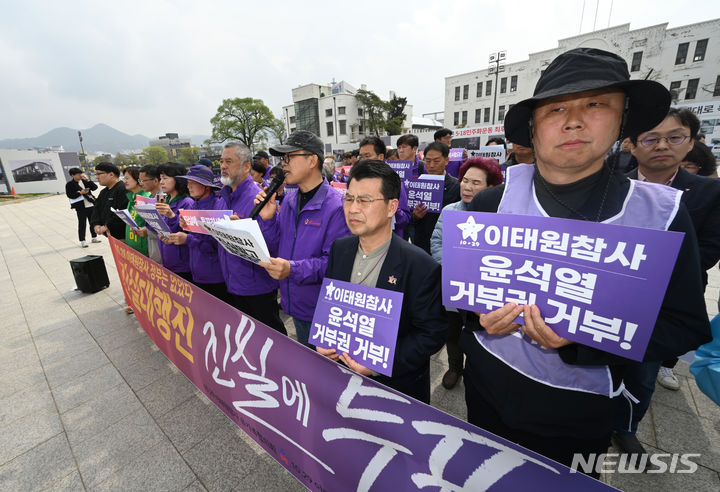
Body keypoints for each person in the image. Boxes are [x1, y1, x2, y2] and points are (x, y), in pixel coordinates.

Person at [463, 47, 711, 473]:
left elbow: (683, 325)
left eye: (596, 104)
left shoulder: (661, 216)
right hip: (486, 394)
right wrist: (478, 318)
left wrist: (583, 339)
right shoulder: (489, 203)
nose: (573, 120)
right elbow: (463, 297)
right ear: (534, 128)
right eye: (556, 108)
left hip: (578, 413)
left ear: (623, 120)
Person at [613, 107, 720, 456]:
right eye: (651, 138)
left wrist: (648, 270)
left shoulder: (708, 192)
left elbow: (707, 251)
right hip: (609, 294)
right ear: (633, 145)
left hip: (662, 303)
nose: (662, 145)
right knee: (600, 364)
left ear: (689, 144)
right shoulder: (611, 182)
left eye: (674, 137)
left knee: (643, 372)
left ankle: (628, 428)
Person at [317, 160, 447, 403]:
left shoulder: (420, 265)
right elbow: (331, 305)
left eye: (365, 200)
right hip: (341, 381)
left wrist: (377, 363)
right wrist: (324, 341)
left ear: (391, 207)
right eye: (349, 198)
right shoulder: (340, 249)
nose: (353, 209)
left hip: (394, 389)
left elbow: (432, 334)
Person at [255, 130, 351, 348]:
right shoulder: (289, 200)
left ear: (312, 160)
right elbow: (277, 248)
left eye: (289, 157)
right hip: (294, 304)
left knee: (326, 374)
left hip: (322, 310)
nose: (283, 165)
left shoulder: (336, 207)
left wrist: (292, 269)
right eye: (282, 159)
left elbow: (335, 264)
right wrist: (268, 220)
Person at [430, 157, 504, 389]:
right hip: (455, 284)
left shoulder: (501, 216)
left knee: (480, 333)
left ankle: (477, 371)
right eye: (465, 181)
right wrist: (456, 272)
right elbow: (436, 242)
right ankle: (454, 368)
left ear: (491, 188)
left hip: (484, 291)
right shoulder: (450, 210)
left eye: (476, 183)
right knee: (453, 331)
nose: (468, 187)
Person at [218, 142, 287, 334]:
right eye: (222, 161)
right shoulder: (223, 197)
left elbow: (273, 245)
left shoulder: (259, 197)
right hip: (232, 283)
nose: (223, 166)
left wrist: (242, 230)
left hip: (257, 287)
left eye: (229, 161)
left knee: (272, 339)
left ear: (247, 166)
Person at [166, 165, 229, 301]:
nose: (189, 187)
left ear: (206, 186)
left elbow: (216, 245)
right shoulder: (194, 204)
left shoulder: (217, 207)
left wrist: (187, 239)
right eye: (188, 183)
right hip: (197, 272)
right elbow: (189, 236)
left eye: (193, 183)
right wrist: (174, 233)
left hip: (215, 276)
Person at [410, 142, 460, 254]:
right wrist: (415, 216)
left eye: (436, 161)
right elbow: (409, 216)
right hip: (420, 243)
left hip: (444, 244)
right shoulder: (417, 184)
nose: (431, 165)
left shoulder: (456, 186)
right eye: (427, 161)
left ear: (446, 161)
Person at [358, 135, 411, 237]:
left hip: (389, 242)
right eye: (361, 157)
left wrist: (388, 206)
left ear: (381, 157)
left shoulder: (394, 181)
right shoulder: (357, 182)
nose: (363, 161)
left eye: (367, 156)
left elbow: (405, 219)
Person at [155, 163, 194, 282]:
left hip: (182, 263)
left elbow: (188, 232)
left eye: (165, 178)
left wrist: (172, 216)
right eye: (161, 178)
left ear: (177, 179)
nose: (161, 182)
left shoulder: (187, 202)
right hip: (167, 258)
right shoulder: (164, 199)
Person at [90, 162, 128, 240]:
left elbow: (121, 212)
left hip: (123, 236)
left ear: (111, 174)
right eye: (96, 174)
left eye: (99, 174)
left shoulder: (123, 189)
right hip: (110, 235)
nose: (97, 177)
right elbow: (96, 209)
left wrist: (107, 226)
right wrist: (96, 224)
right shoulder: (103, 192)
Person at [65, 167, 100, 247]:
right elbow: (69, 195)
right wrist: (80, 193)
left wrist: (88, 180)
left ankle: (94, 237)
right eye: (78, 174)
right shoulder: (70, 184)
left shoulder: (84, 181)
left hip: (90, 204)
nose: (80, 175)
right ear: (73, 175)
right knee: (82, 223)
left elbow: (95, 188)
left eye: (81, 173)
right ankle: (83, 240)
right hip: (80, 207)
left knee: (93, 222)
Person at [136, 165, 163, 264]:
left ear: (156, 181)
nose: (141, 184)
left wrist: (147, 231)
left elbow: (163, 228)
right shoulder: (151, 197)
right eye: (140, 181)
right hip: (154, 252)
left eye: (144, 181)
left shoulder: (163, 198)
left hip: (163, 253)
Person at [122, 166, 150, 256]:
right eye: (124, 178)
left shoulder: (146, 197)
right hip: (132, 248)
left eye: (127, 178)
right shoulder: (131, 197)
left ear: (138, 179)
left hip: (144, 250)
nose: (124, 181)